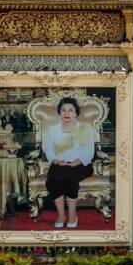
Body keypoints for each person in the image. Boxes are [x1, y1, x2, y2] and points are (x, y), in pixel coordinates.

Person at [42, 96, 95, 230]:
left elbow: (89, 151)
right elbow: (48, 148)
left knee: (70, 177)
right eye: (63, 110)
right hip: (59, 164)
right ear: (59, 113)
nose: (67, 113)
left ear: (76, 113)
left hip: (82, 164)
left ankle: (72, 215)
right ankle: (61, 215)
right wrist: (56, 160)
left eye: (70, 110)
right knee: (54, 179)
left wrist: (77, 161)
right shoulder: (52, 130)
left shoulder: (85, 129)